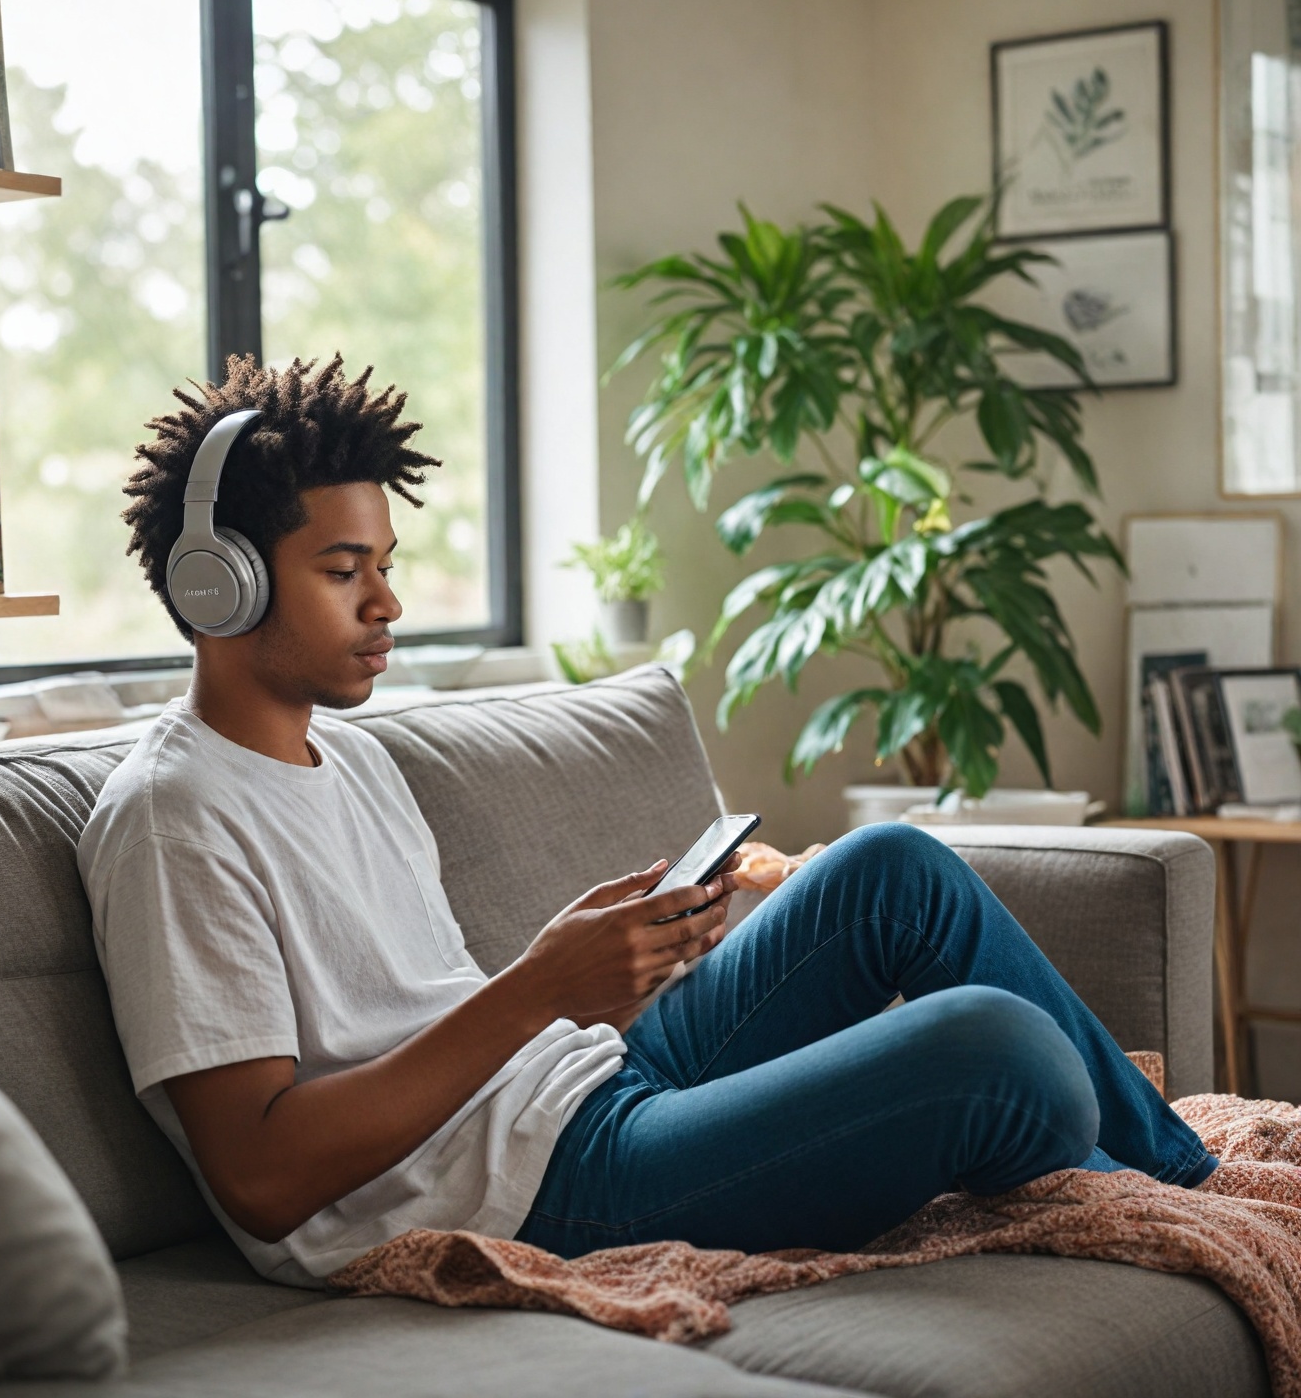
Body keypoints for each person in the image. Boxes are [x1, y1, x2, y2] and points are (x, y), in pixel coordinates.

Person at [78, 353, 1216, 1289]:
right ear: (215, 584)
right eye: (343, 570)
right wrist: (536, 990)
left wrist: (596, 966)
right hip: (549, 1193)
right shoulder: (173, 819)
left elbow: (420, 1021)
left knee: (894, 868)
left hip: (584, 1086)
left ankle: (1190, 1183)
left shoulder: (357, 758)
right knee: (998, 1049)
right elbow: (263, 1175)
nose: (388, 604)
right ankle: (1122, 1174)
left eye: (385, 564)